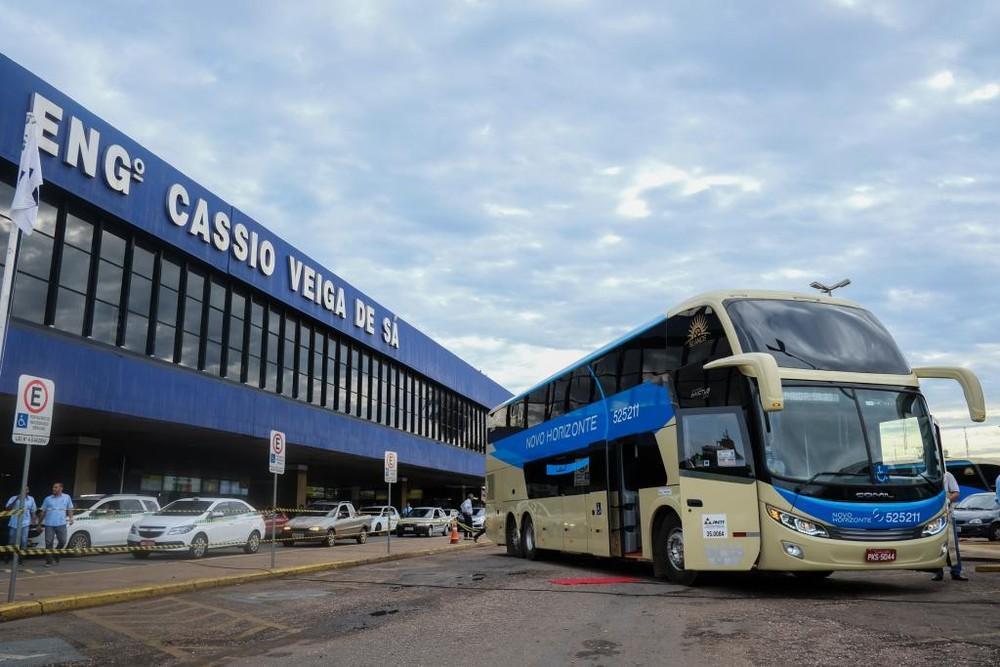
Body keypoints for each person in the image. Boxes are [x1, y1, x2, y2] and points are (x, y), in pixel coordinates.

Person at [932, 468, 967, 582]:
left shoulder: (948, 475)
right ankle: (938, 572)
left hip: (948, 515)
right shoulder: (927, 475)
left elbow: (956, 492)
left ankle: (956, 571)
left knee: (952, 545)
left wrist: (948, 500)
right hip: (933, 517)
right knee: (935, 544)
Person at [39, 482, 73, 567]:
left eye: (56, 487)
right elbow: (43, 511)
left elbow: (69, 508)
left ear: (61, 488)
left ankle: (56, 553)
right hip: (49, 524)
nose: (54, 489)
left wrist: (71, 518)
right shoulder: (47, 499)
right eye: (53, 487)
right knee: (48, 542)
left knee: (63, 541)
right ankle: (48, 561)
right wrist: (39, 523)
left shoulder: (67, 497)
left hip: (61, 523)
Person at [4, 486, 37, 564]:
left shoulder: (31, 499)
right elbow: (7, 508)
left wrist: (33, 521)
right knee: (11, 541)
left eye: (25, 490)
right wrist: (16, 499)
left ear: (28, 491)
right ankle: (8, 556)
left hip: (25, 523)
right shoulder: (13, 498)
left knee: (24, 541)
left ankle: (21, 559)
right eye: (22, 489)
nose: (23, 491)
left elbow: (33, 511)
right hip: (14, 523)